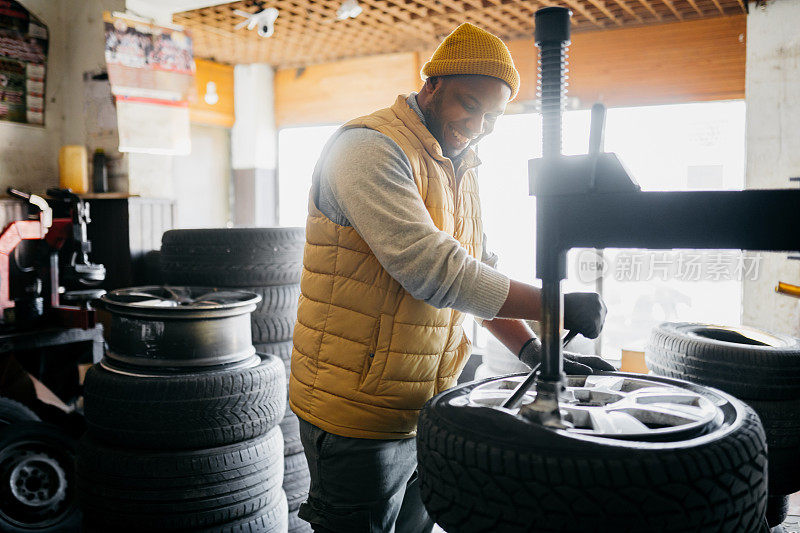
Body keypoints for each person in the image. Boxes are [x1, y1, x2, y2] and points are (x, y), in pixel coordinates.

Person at [288, 22, 614, 533]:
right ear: (432, 83)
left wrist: (532, 351)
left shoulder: (459, 165)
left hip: (427, 409)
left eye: (493, 116)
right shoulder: (368, 149)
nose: (479, 124)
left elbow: (477, 276)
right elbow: (433, 270)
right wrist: (556, 304)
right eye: (469, 103)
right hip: (356, 416)